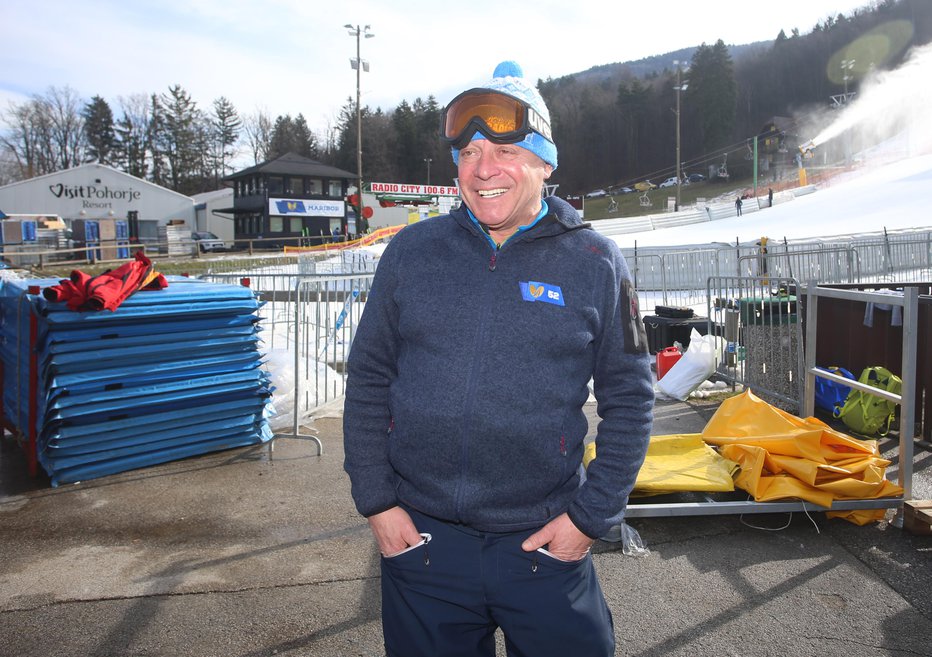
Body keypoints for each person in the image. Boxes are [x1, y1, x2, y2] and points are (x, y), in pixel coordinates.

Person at [343, 61, 654, 657]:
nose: (483, 169)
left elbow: (632, 397)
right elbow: (370, 379)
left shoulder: (595, 261)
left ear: (545, 163)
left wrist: (590, 520)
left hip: (545, 546)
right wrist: (378, 502)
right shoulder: (411, 254)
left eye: (506, 150)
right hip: (423, 546)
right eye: (469, 153)